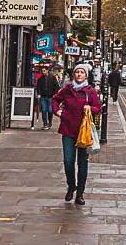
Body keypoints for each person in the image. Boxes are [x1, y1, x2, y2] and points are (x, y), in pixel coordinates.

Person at [52, 63, 102, 205]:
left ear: (86, 75)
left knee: (82, 163)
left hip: (84, 132)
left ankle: (79, 194)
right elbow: (55, 99)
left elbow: (98, 107)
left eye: (82, 72)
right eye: (77, 72)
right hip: (68, 130)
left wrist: (90, 107)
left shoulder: (90, 92)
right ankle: (71, 185)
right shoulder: (67, 89)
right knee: (68, 162)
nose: (79, 74)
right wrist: (58, 111)